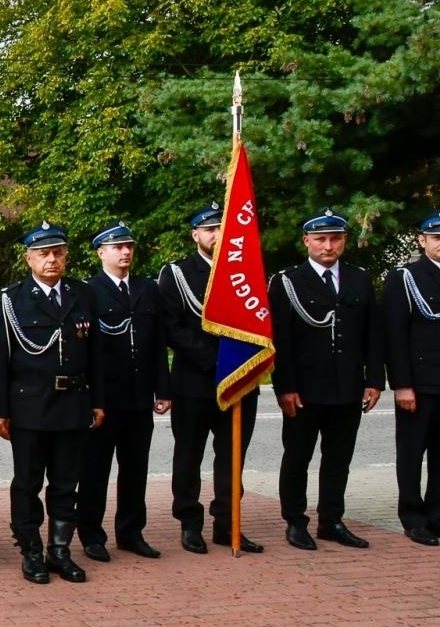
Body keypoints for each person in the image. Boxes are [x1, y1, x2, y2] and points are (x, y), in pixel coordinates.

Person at [0, 222, 104, 584]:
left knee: (67, 481)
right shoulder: (10, 299)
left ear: (66, 256)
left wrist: (98, 401)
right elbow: (0, 360)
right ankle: (31, 551)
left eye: (57, 253)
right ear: (28, 259)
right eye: (43, 254)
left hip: (73, 403)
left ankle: (60, 551)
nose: (51, 260)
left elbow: (96, 355)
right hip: (30, 406)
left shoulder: (83, 296)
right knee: (28, 482)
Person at [268, 209, 383, 551]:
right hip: (304, 389)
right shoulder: (288, 281)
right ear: (307, 241)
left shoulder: (359, 278)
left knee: (338, 459)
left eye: (335, 239)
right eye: (320, 239)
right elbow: (281, 341)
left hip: (347, 386)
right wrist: (284, 387)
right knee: (298, 457)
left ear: (345, 241)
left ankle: (331, 520)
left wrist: (374, 379)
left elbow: (371, 335)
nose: (328, 246)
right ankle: (295, 521)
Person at [158, 202, 265, 554]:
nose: (218, 236)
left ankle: (227, 524)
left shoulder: (246, 272)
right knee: (188, 457)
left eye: (223, 229)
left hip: (239, 382)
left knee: (232, 458)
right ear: (196, 235)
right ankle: (190, 523)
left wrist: (238, 366)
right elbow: (172, 329)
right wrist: (217, 362)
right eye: (210, 230)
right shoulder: (177, 274)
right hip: (194, 382)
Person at [76, 222, 171, 561]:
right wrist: (90, 398)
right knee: (95, 470)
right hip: (105, 397)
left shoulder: (147, 289)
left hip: (138, 395)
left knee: (135, 468)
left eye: (129, 245)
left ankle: (131, 532)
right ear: (101, 252)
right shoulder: (88, 291)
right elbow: (85, 353)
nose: (125, 251)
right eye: (117, 247)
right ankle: (91, 534)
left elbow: (158, 343)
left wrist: (163, 387)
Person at [382, 210, 440, 545]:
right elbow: (395, 335)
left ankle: (437, 514)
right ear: (422, 241)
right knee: (412, 452)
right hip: (418, 382)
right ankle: (413, 516)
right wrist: (402, 384)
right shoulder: (405, 277)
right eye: (436, 238)